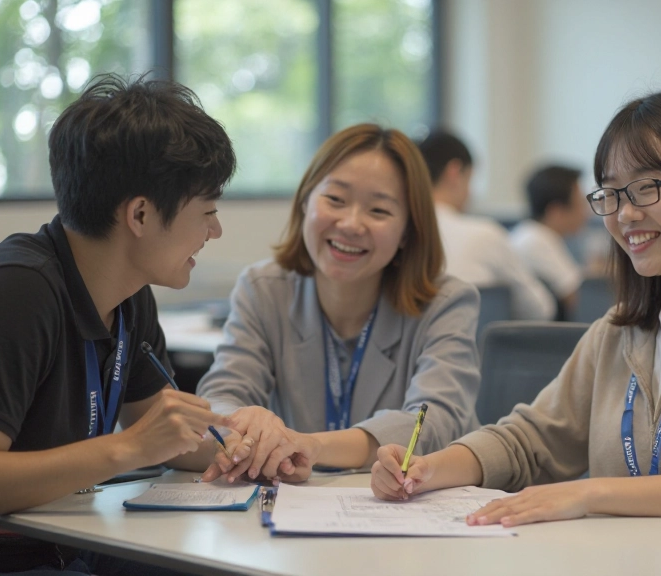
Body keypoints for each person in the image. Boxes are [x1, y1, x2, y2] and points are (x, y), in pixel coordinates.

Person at [370, 88, 661, 533]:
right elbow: (529, 441)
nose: (625, 214)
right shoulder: (620, 330)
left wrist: (590, 493)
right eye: (611, 193)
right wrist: (429, 469)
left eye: (647, 187)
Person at [0, 74, 235, 574]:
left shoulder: (131, 296)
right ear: (140, 214)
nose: (215, 230)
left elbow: (167, 432)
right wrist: (126, 448)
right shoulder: (18, 291)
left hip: (64, 540)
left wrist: (251, 444)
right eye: (209, 211)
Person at [194, 124, 480, 484]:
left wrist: (308, 445)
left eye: (378, 210)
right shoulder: (264, 289)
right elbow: (220, 397)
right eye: (335, 200)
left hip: (408, 513)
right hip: (291, 512)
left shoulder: (447, 302)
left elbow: (435, 422)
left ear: (408, 230)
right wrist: (246, 424)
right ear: (305, 201)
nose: (350, 223)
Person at [417, 130, 555, 320]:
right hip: (476, 348)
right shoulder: (485, 235)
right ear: (455, 172)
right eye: (470, 179)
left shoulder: (396, 234)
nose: (470, 193)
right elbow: (540, 309)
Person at [509, 164, 590, 317]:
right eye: (580, 205)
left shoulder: (530, 233)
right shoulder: (535, 241)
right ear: (556, 211)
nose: (587, 214)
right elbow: (578, 298)